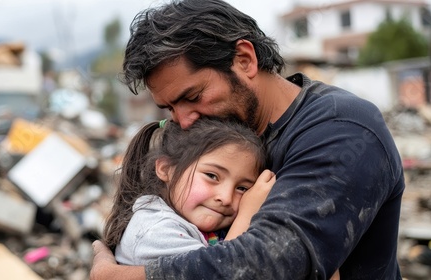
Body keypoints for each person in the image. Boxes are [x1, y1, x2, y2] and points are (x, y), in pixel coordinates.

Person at [90, 0, 405, 279]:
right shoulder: (228, 144)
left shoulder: (341, 129)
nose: (184, 121)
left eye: (193, 96)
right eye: (171, 108)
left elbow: (270, 264)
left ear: (244, 60)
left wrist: (117, 276)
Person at [104, 117, 274, 265]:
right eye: (212, 176)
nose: (226, 198)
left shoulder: (197, 224)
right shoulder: (155, 232)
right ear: (166, 169)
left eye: (242, 188)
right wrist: (247, 214)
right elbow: (222, 271)